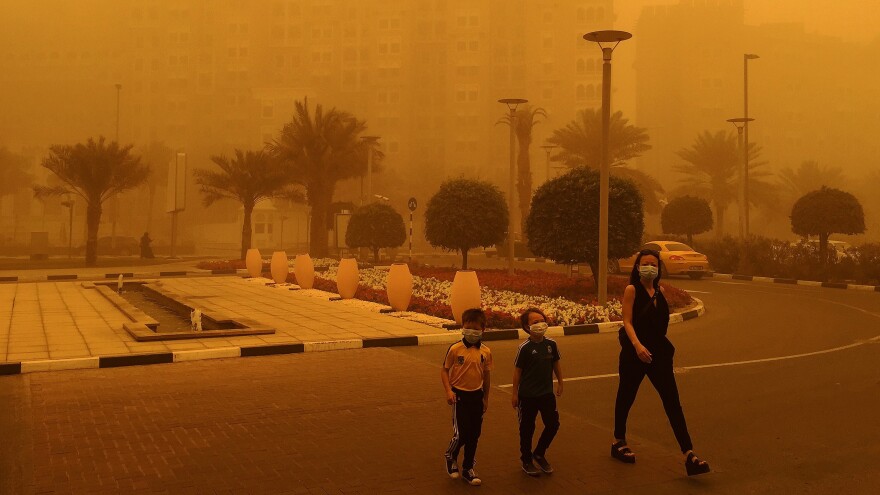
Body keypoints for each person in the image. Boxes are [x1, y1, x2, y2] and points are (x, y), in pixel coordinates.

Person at [611, 249, 710, 476]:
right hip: (635, 353)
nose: (650, 267)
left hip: (658, 355)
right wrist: (637, 346)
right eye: (645, 263)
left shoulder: (661, 292)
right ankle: (618, 441)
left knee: (672, 402)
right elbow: (626, 321)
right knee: (626, 397)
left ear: (659, 268)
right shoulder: (631, 290)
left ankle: (689, 454)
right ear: (637, 267)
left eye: (654, 264)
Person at [441, 308, 494, 486]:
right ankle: (450, 456)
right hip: (459, 396)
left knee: (474, 434)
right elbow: (444, 370)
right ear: (462, 327)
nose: (471, 331)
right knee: (460, 434)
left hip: (476, 397)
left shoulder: (485, 352)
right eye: (468, 327)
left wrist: (486, 398)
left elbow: (486, 377)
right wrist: (449, 391)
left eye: (475, 328)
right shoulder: (455, 349)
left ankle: (468, 468)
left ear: (483, 329)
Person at [512, 308, 563, 477]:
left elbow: (556, 364)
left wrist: (560, 382)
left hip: (546, 394)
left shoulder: (551, 344)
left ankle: (539, 453)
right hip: (527, 396)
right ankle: (526, 459)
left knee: (553, 424)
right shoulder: (524, 348)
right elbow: (517, 372)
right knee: (527, 428)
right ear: (527, 327)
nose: (540, 324)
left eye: (542, 320)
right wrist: (514, 394)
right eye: (535, 322)